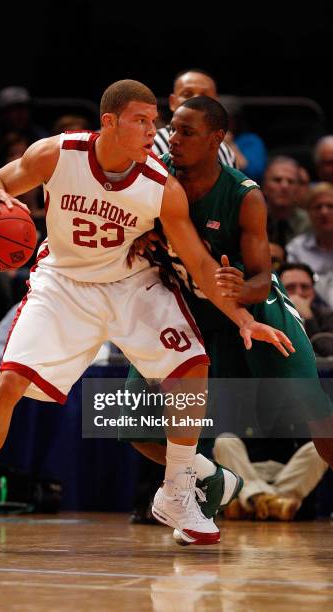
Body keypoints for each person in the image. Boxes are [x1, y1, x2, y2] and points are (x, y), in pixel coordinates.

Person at [0, 80, 292, 552]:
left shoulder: (161, 185)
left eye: (153, 121)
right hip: (64, 283)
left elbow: (200, 263)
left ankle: (178, 492)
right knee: (9, 383)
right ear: (109, 122)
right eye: (141, 120)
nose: (151, 130)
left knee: (192, 366)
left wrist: (243, 318)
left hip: (130, 284)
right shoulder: (57, 153)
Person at [123, 96, 333, 541]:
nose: (174, 140)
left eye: (187, 133)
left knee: (319, 421)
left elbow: (262, 277)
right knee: (132, 426)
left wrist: (241, 288)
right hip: (183, 317)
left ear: (217, 138)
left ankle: (208, 488)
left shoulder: (244, 195)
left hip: (255, 314)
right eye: (173, 130)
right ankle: (212, 483)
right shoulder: (153, 178)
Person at [215, 436, 328, 521]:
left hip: (285, 475)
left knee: (321, 447)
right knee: (224, 440)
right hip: (247, 472)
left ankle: (250, 503)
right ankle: (275, 505)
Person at [153, 68, 236, 168]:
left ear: (216, 103)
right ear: (172, 102)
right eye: (187, 94)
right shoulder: (152, 146)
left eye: (204, 96)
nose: (196, 100)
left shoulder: (226, 152)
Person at [278, 262, 333, 357]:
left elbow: (329, 352)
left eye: (305, 287)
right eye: (290, 287)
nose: (298, 293)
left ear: (313, 291)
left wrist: (308, 317)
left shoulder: (326, 315)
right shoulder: (267, 314)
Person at [286, 182, 333, 278]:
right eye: (317, 207)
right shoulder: (296, 248)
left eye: (330, 206)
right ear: (308, 213)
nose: (324, 212)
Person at [263, 156, 311, 247]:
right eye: (277, 180)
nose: (284, 186)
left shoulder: (311, 224)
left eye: (291, 181)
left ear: (298, 189)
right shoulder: (250, 221)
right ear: (265, 186)